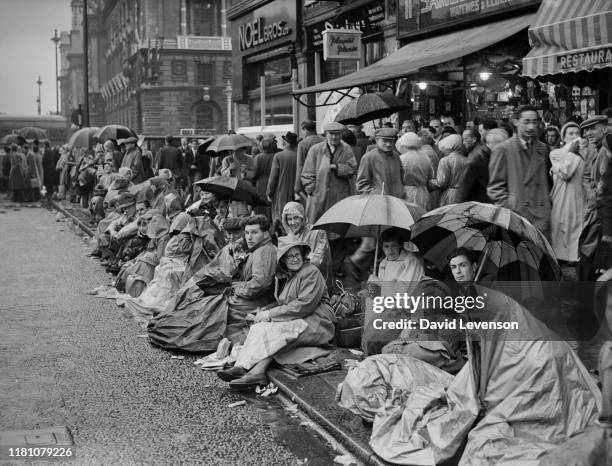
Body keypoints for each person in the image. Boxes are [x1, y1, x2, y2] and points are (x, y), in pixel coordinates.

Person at [217, 241, 335, 390]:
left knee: (276, 332)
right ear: (283, 259)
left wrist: (270, 314)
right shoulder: (287, 276)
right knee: (258, 328)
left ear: (303, 256)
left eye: (297, 255)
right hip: (299, 318)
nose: (294, 259)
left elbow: (304, 305)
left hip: (317, 322)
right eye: (290, 256)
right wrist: (264, 311)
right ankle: (243, 366)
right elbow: (284, 303)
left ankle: (256, 371)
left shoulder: (311, 272)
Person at [488, 105, 552, 238]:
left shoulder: (543, 149)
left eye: (535, 122)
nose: (531, 127)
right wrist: (511, 207)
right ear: (516, 122)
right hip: (518, 216)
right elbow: (495, 188)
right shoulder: (503, 149)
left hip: (542, 215)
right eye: (526, 122)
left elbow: (547, 182)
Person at [301, 121, 357, 223]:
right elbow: (307, 173)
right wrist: (312, 189)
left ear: (341, 134)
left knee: (337, 224)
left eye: (337, 134)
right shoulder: (315, 149)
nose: (334, 137)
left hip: (339, 195)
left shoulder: (346, 149)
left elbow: (352, 168)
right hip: (319, 196)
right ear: (326, 134)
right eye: (331, 134)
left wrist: (337, 167)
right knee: (318, 226)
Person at [578, 115, 611, 280]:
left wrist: (596, 198)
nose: (587, 133)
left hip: (601, 218)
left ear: (605, 129)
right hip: (597, 214)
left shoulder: (606, 151)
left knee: (591, 262)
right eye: (585, 130)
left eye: (592, 128)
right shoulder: (596, 150)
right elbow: (588, 177)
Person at [549, 122, 587, 263]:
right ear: (563, 137)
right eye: (570, 133)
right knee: (563, 225)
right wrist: (571, 153)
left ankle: (575, 257)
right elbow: (566, 173)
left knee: (578, 225)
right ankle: (561, 256)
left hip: (579, 195)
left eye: (577, 133)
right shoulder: (555, 153)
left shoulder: (585, 154)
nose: (575, 136)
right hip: (562, 196)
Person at [280, 201, 331, 284]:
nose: (292, 222)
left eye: (296, 217)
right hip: (296, 285)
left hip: (316, 283)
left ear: (302, 217)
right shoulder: (289, 238)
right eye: (289, 219)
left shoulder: (317, 232)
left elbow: (320, 261)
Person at [356, 127, 404, 198]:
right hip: (378, 201)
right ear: (377, 140)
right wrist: (377, 194)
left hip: (396, 200)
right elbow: (361, 185)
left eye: (391, 141)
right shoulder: (368, 158)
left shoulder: (396, 156)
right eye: (385, 141)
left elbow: (401, 177)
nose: (388, 144)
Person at [428, 134, 469, 206]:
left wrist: (430, 182)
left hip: (450, 196)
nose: (443, 152)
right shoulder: (467, 160)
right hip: (465, 195)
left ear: (448, 147)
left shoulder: (445, 160)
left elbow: (441, 183)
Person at [396, 132, 433, 211]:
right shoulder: (425, 158)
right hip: (423, 192)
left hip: (407, 193)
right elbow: (430, 176)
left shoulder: (402, 159)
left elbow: (398, 178)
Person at [267, 132, 298, 225]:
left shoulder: (279, 156)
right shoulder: (298, 156)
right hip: (296, 193)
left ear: (286, 142)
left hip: (281, 193)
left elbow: (273, 177)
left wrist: (269, 192)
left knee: (280, 220)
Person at [294, 120, 324, 204]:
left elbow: (300, 165)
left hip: (309, 179)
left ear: (305, 129)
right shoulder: (324, 140)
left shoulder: (303, 144)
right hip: (325, 176)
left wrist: (297, 186)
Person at [458, 128, 491, 203]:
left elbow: (465, 185)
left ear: (474, 139)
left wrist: (459, 203)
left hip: (480, 199)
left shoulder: (474, 157)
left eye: (465, 139)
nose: (463, 142)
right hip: (487, 197)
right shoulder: (483, 150)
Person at [250, 138, 276, 219]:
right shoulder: (276, 156)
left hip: (260, 183)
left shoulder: (258, 157)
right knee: (272, 203)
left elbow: (254, 173)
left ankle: (262, 221)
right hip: (273, 182)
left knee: (261, 204)